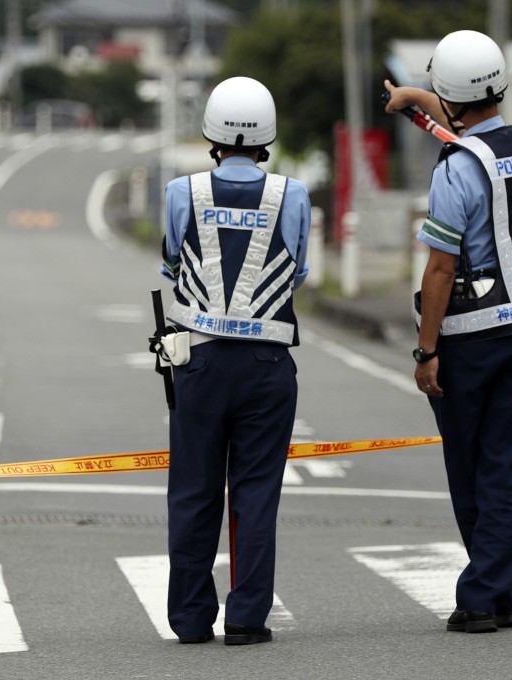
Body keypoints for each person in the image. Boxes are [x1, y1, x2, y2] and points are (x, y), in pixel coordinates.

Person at [383, 30, 512, 633]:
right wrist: (416, 99)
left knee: (470, 467)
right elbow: (470, 125)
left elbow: (440, 267)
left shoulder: (454, 169)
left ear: (448, 92)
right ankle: (502, 593)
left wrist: (426, 350)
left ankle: (482, 593)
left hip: (470, 335)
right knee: (508, 463)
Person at [154, 76, 311, 646]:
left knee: (194, 492)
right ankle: (247, 617)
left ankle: (192, 619)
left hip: (198, 362)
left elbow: (172, 265)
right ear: (267, 134)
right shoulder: (292, 195)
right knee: (255, 493)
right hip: (267, 367)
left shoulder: (180, 193)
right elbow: (296, 273)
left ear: (211, 132)